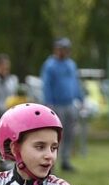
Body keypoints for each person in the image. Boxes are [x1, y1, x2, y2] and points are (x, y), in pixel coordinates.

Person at [40, 38, 82, 172]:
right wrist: (49, 103)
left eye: (65, 49)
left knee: (69, 133)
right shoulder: (50, 65)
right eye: (60, 49)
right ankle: (51, 162)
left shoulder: (71, 64)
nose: (63, 51)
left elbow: (75, 83)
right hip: (56, 105)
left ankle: (65, 160)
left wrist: (80, 98)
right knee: (55, 136)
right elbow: (46, 85)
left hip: (70, 104)